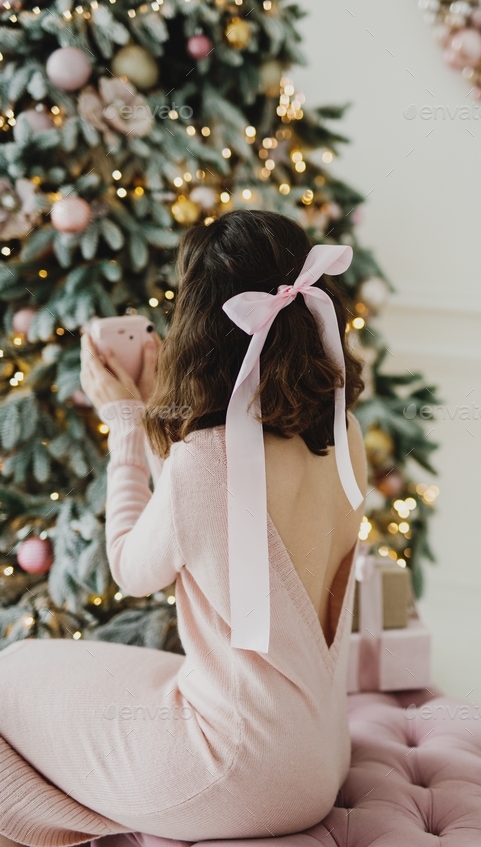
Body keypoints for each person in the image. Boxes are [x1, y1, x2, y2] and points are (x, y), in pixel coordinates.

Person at [0, 210, 367, 846]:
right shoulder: (344, 436)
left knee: (10, 672)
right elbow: (223, 506)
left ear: (200, 324)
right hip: (321, 756)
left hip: (242, 776)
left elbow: (130, 568)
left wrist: (123, 426)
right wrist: (152, 424)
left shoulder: (207, 458)